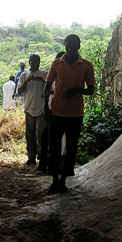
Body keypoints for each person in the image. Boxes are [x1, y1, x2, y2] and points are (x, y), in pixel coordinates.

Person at [44, 34, 95, 193]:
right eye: (68, 44)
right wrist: (46, 108)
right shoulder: (56, 64)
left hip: (75, 114)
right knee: (54, 149)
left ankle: (63, 181)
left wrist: (78, 90)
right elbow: (47, 87)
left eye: (74, 45)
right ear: (64, 45)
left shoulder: (86, 65)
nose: (70, 47)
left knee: (71, 149)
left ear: (79, 46)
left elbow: (91, 90)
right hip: (57, 112)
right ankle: (54, 181)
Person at [16, 54, 48, 166]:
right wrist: (27, 82)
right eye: (32, 61)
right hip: (29, 108)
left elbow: (52, 89)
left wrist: (42, 81)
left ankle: (42, 157)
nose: (34, 63)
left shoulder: (44, 74)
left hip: (42, 109)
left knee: (41, 135)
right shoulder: (24, 75)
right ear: (29, 62)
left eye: (37, 61)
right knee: (30, 135)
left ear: (39, 62)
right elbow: (19, 91)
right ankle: (31, 157)